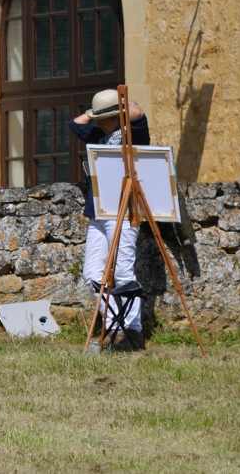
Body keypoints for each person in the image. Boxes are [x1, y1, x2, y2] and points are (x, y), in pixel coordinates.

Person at [69, 89, 150, 351]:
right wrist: (97, 114)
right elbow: (75, 123)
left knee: (124, 271)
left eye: (104, 118)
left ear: (118, 117)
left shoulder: (132, 134)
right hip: (99, 212)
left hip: (125, 211)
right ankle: (117, 324)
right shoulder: (98, 135)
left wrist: (122, 106)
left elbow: (137, 113)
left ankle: (132, 331)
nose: (98, 123)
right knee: (92, 273)